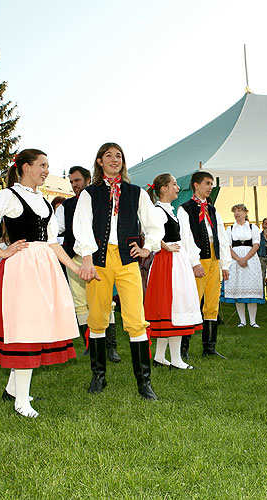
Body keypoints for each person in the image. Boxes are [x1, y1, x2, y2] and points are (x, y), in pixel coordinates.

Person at [0, 148, 85, 418]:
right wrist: (0, 252)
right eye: (42, 165)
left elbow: (52, 242)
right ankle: (21, 400)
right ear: (25, 167)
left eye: (47, 165)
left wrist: (74, 268)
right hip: (22, 268)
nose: (46, 170)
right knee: (25, 329)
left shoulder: (43, 201)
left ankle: (13, 389)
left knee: (36, 326)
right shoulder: (8, 195)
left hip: (44, 266)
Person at [73, 142, 164, 400]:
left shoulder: (137, 193)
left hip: (126, 260)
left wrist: (149, 247)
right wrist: (87, 258)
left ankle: (144, 382)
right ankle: (98, 376)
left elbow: (154, 224)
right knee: (98, 315)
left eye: (119, 156)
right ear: (100, 161)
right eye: (109, 156)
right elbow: (82, 227)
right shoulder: (89, 194)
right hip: (99, 261)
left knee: (136, 317)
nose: (115, 159)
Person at [55, 165, 121, 362]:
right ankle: (90, 345)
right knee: (80, 303)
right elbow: (56, 228)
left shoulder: (101, 200)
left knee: (105, 302)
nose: (74, 185)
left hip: (98, 258)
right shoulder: (66, 206)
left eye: (77, 180)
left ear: (87, 179)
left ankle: (111, 347)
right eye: (72, 182)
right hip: (74, 258)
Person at [144, 174, 202, 370]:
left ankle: (161, 356)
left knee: (172, 306)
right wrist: (165, 247)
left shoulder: (168, 210)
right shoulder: (158, 211)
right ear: (164, 189)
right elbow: (149, 232)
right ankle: (175, 359)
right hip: (167, 263)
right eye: (174, 184)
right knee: (174, 305)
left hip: (175, 261)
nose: (178, 187)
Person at [177, 171, 231, 359]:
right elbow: (186, 237)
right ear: (196, 185)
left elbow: (222, 237)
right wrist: (194, 262)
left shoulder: (213, 209)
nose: (210, 187)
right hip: (199, 258)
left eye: (211, 184)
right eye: (207, 183)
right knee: (193, 302)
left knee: (212, 303)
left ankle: (209, 348)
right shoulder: (185, 209)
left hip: (214, 258)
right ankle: (182, 349)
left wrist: (225, 264)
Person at [221, 204, 264, 327]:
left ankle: (253, 321)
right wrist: (238, 259)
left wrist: (245, 258)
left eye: (239, 211)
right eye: (234, 211)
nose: (236, 213)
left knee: (251, 289)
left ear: (246, 212)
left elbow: (256, 245)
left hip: (250, 260)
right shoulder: (229, 229)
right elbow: (227, 247)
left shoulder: (252, 227)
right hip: (235, 260)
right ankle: (242, 321)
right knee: (238, 289)